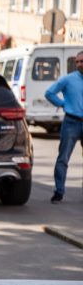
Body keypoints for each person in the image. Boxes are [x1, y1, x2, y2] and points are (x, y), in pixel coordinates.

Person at [45, 50, 83, 204]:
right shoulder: (68, 79)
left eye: (82, 61)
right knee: (63, 158)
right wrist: (62, 104)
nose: (79, 64)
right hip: (71, 122)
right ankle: (59, 191)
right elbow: (49, 93)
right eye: (77, 62)